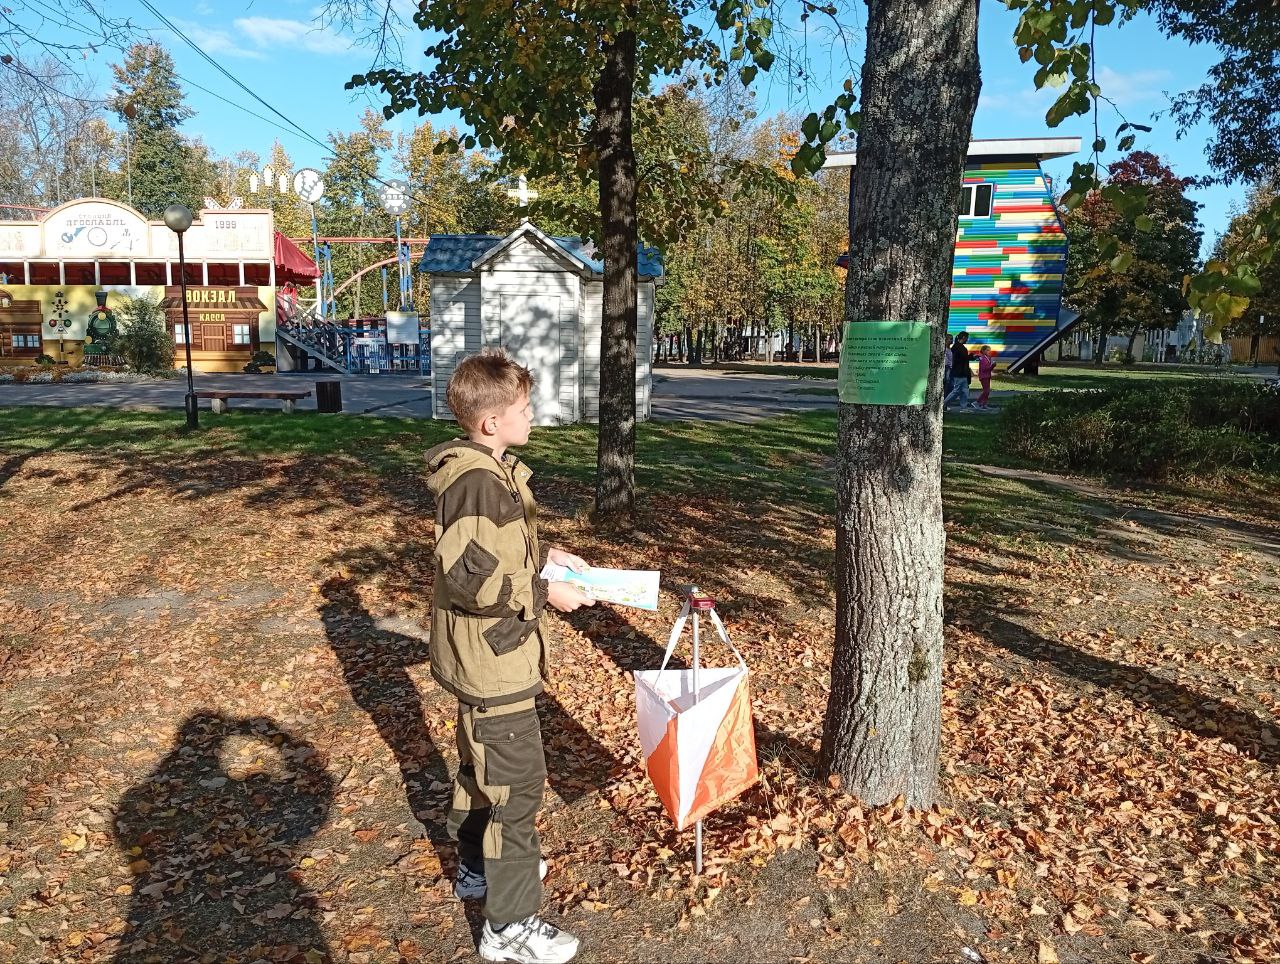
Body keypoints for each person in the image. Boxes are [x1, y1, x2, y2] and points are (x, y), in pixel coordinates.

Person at [425, 349, 594, 964]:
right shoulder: (475, 484)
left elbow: (493, 555)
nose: (533, 416)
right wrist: (545, 592)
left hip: (484, 658)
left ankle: (476, 867)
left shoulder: (490, 473)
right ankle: (511, 927)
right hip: (495, 661)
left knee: (481, 769)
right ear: (490, 421)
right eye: (524, 409)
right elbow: (472, 581)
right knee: (517, 790)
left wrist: (549, 560)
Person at [943, 331, 972, 410]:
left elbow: (963, 359)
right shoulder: (957, 347)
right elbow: (957, 360)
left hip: (962, 372)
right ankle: (943, 403)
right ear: (963, 338)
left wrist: (970, 357)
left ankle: (964, 407)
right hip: (959, 372)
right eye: (967, 338)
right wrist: (968, 357)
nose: (967, 340)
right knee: (956, 391)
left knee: (965, 391)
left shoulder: (957, 347)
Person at [975, 344, 995, 410]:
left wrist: (992, 366)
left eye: (989, 350)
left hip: (987, 376)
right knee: (986, 391)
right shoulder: (983, 358)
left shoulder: (988, 358)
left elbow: (988, 369)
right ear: (983, 351)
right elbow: (984, 369)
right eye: (987, 350)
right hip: (984, 376)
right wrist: (992, 366)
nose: (989, 351)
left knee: (987, 391)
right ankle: (977, 402)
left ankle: (984, 404)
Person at [942, 333, 955, 399]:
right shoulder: (944, 349)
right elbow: (946, 360)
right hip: (947, 368)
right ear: (946, 340)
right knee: (947, 384)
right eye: (950, 339)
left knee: (951, 386)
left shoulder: (949, 349)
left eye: (952, 339)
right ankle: (944, 401)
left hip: (950, 368)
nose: (952, 340)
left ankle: (945, 401)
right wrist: (949, 366)